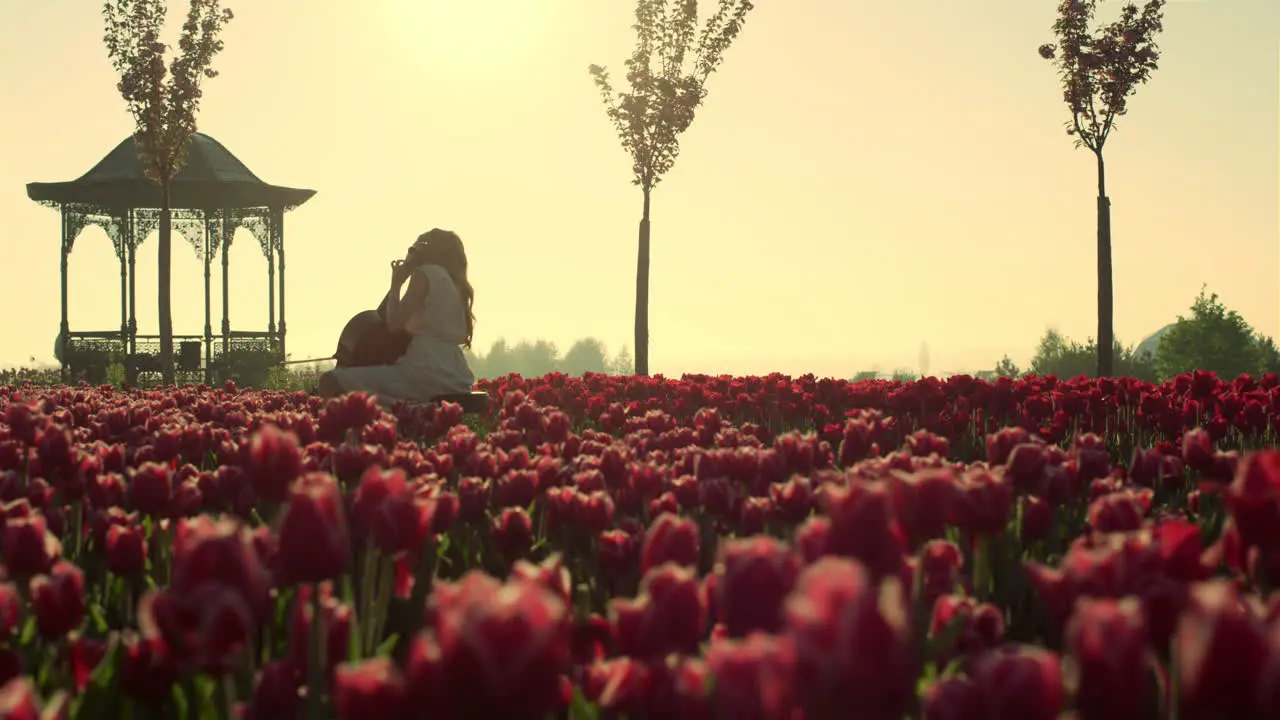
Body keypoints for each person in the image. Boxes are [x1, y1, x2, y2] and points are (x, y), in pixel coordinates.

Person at [317, 228, 476, 407]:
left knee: (330, 381)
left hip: (423, 372)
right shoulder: (457, 284)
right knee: (378, 395)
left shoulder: (425, 273)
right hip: (455, 376)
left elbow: (394, 324)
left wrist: (396, 285)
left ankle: (369, 427)